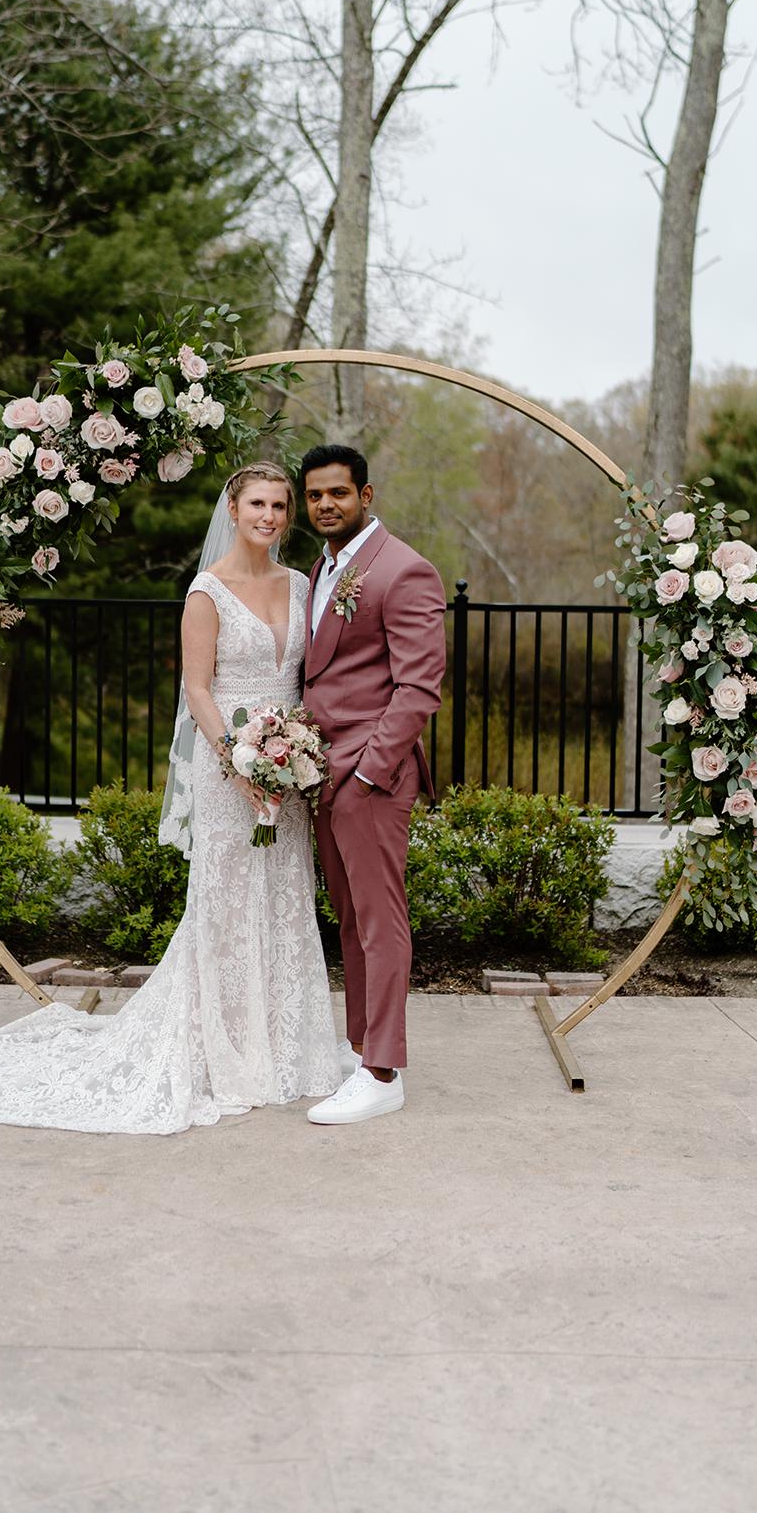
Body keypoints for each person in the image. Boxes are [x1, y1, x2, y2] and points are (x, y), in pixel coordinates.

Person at [0, 463, 340, 1135]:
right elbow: (198, 690)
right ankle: (224, 1049)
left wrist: (297, 751)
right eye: (258, 503)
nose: (271, 517)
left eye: (281, 505)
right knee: (225, 900)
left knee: (283, 896)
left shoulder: (302, 584)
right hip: (232, 761)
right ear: (233, 506)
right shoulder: (208, 592)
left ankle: (287, 1044)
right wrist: (237, 762)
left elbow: (312, 674)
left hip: (291, 765)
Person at [300, 443, 446, 1127]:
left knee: (381, 920)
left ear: (367, 494)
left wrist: (365, 772)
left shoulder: (404, 570)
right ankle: (359, 1045)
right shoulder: (321, 569)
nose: (326, 503)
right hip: (321, 770)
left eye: (339, 492)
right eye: (315, 495)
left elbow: (419, 688)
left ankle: (384, 1070)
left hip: (371, 775)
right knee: (352, 919)